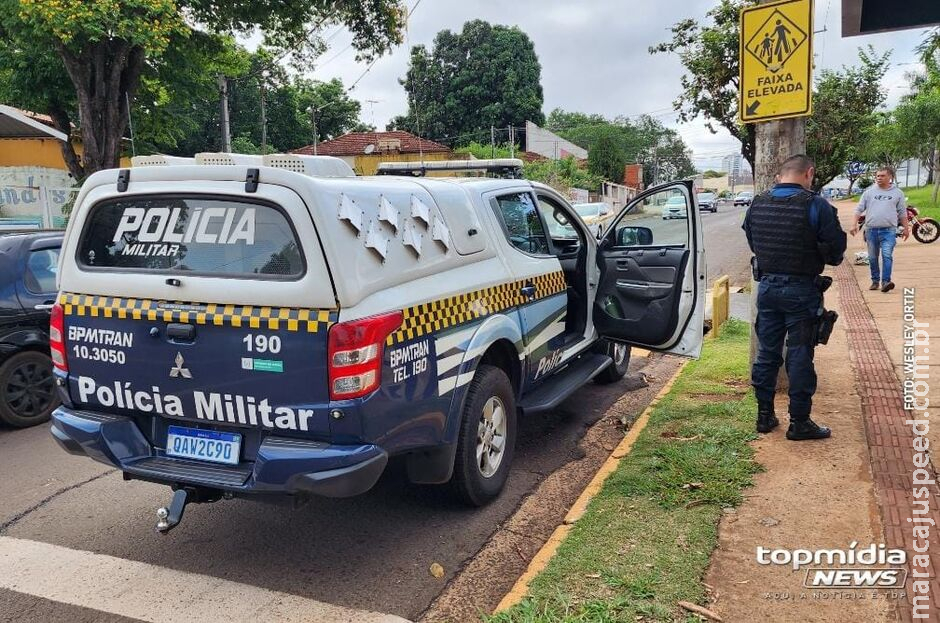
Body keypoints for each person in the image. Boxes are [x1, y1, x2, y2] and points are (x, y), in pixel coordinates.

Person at [742, 155, 847, 441]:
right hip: (801, 292)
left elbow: (753, 241)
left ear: (780, 175)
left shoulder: (758, 203)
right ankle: (799, 422)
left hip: (767, 290)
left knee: (767, 353)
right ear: (808, 173)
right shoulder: (816, 205)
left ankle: (764, 416)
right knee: (800, 355)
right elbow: (836, 252)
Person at [850, 166, 909, 292]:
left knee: (887, 255)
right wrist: (854, 224)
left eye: (882, 176)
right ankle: (875, 281)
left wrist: (906, 228)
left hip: (889, 231)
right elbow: (859, 209)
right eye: (877, 176)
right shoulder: (869, 192)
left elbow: (902, 212)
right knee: (872, 257)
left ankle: (886, 282)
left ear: (890, 177)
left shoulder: (898, 193)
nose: (879, 178)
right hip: (871, 231)